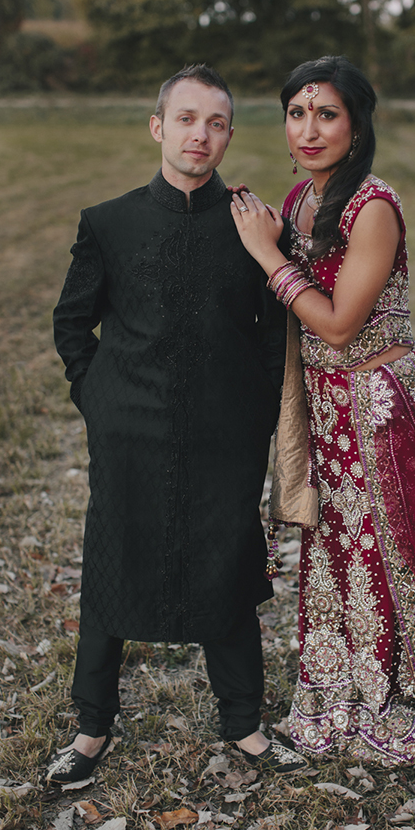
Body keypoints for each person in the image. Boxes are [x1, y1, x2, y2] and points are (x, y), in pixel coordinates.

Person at [47, 64, 308, 783]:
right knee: (111, 564)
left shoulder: (254, 226)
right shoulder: (109, 221)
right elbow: (74, 323)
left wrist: (253, 415)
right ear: (158, 127)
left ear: (229, 135)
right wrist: (95, 397)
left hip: (227, 436)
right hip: (128, 429)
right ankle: (92, 729)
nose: (201, 134)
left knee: (227, 564)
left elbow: (271, 333)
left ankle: (246, 726)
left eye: (217, 122)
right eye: (187, 119)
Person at [230, 55, 415, 765]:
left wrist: (265, 255)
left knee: (390, 547)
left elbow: (340, 324)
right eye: (296, 113)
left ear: (358, 124)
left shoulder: (371, 206)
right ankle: (338, 689)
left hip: (375, 404)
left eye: (327, 114)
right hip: (324, 405)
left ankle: (402, 701)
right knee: (336, 544)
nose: (308, 129)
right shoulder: (302, 202)